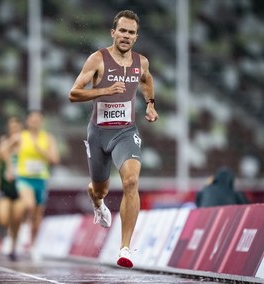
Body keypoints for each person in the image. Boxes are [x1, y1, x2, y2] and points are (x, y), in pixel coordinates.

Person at [68, 10, 158, 268]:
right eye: (122, 31)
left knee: (131, 180)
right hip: (98, 134)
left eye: (131, 32)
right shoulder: (98, 59)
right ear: (113, 32)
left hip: (125, 132)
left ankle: (125, 248)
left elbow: (147, 81)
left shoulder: (142, 62)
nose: (126, 36)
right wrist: (106, 90)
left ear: (136, 36)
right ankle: (97, 201)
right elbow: (73, 94)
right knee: (100, 190)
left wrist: (151, 105)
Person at [15, 111, 60, 252]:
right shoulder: (20, 137)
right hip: (24, 177)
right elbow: (3, 151)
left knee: (37, 214)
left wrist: (42, 151)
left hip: (40, 179)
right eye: (32, 120)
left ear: (41, 122)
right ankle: (23, 229)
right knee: (29, 205)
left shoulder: (47, 138)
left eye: (38, 120)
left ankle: (33, 244)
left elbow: (55, 160)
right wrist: (10, 167)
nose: (35, 122)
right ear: (27, 121)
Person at [0, 117, 25, 261]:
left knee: (17, 218)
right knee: (4, 218)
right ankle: (10, 235)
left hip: (21, 188)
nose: (14, 130)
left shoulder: (25, 144)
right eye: (12, 128)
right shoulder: (5, 144)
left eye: (16, 128)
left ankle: (14, 244)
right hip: (6, 188)